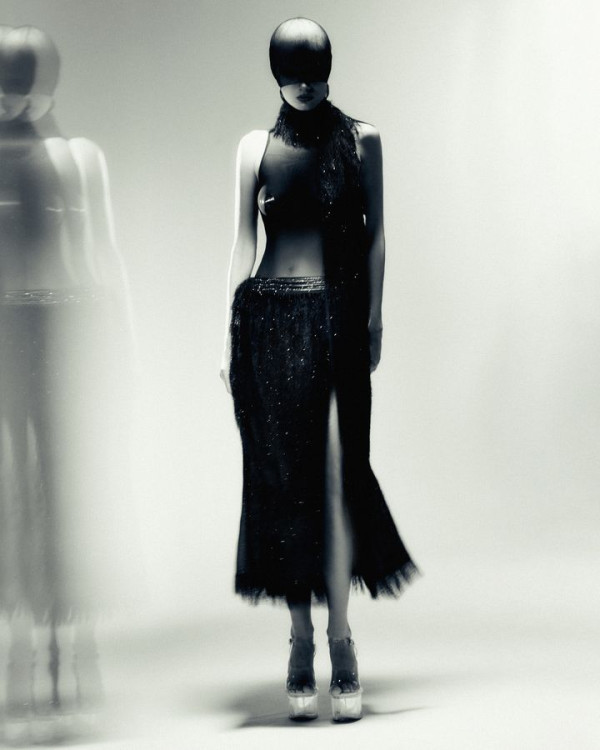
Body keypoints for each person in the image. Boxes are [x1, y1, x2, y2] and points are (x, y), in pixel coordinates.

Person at [221, 18, 418, 722]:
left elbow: (377, 235)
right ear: (276, 74)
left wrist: (374, 320)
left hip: (337, 324)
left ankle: (342, 637)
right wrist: (227, 336)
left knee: (340, 481)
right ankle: (301, 640)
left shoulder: (363, 140)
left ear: (330, 67)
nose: (305, 86)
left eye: (315, 72)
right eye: (292, 74)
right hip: (269, 324)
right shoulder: (255, 147)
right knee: (287, 488)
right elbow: (242, 243)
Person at [0, 25, 134, 742]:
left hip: (54, 325)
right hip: (9, 332)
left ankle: (69, 650)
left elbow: (100, 253)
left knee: (57, 493)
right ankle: (24, 656)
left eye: (23, 83)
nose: (13, 99)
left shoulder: (76, 159)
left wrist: (123, 336)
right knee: (14, 496)